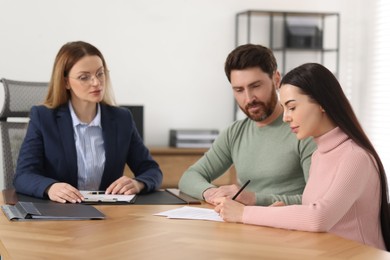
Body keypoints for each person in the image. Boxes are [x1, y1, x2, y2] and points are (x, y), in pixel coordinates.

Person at [215, 63, 390, 250]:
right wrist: (284, 214)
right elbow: (313, 211)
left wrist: (243, 213)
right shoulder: (318, 155)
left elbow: (319, 217)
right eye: (284, 108)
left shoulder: (356, 158)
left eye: (292, 107)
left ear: (322, 103)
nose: (285, 117)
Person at [13, 41, 163, 203]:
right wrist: (51, 187)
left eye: (100, 73)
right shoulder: (44, 117)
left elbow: (151, 170)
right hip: (59, 215)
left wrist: (137, 183)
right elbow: (23, 176)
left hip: (109, 215)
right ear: (65, 82)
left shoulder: (121, 119)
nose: (96, 83)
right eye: (84, 77)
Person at [178, 44, 317, 206]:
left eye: (255, 86)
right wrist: (211, 194)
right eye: (239, 90)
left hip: (290, 227)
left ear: (276, 79)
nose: (249, 98)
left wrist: (253, 199)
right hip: (244, 224)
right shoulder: (234, 133)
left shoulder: (303, 129)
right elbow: (190, 177)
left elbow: (315, 202)